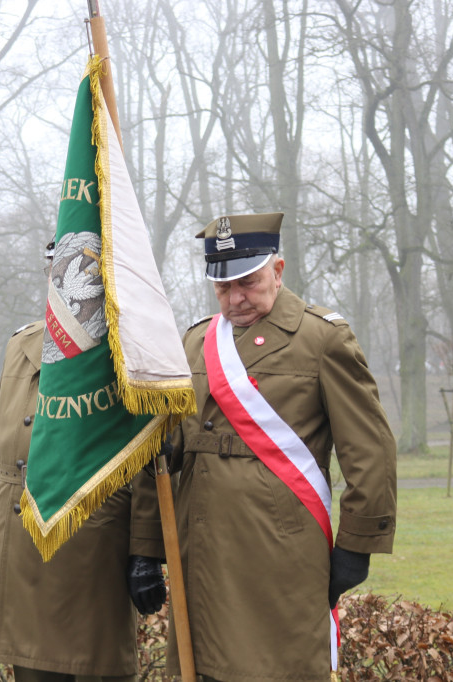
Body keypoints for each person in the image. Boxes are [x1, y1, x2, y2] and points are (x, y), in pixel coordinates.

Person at [167, 213, 397, 681]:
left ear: (278, 270)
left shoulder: (322, 339)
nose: (235, 299)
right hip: (203, 552)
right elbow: (169, 450)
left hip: (279, 553)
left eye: (247, 282)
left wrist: (358, 545)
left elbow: (369, 450)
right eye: (222, 287)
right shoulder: (195, 342)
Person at [0, 241, 168, 682]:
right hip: (21, 539)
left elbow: (144, 462)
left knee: (89, 667)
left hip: (91, 547)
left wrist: (144, 551)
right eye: (57, 273)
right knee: (30, 669)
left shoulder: (127, 355)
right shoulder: (21, 344)